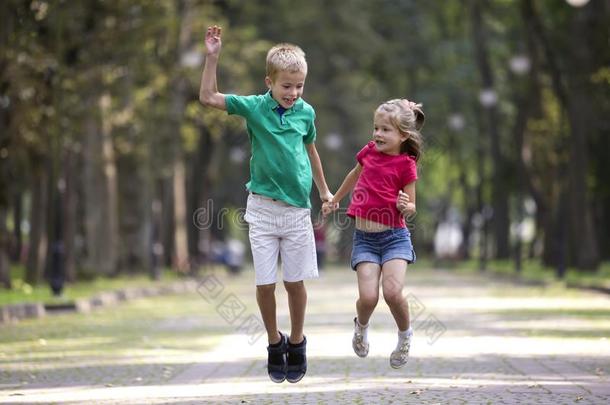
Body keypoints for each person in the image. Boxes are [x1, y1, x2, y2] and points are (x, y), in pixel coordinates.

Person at [199, 25, 332, 383]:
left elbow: (311, 151)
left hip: (297, 211)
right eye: (286, 85)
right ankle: (275, 342)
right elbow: (209, 97)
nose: (293, 92)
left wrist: (324, 191)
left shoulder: (307, 113)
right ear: (269, 81)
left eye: (299, 85)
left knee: (295, 282)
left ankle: (298, 339)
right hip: (261, 209)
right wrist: (213, 58)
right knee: (264, 282)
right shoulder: (254, 107)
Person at [323, 99, 424, 369]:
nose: (377, 134)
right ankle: (361, 327)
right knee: (368, 298)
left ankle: (404, 335)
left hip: (394, 238)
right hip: (365, 239)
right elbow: (353, 175)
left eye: (385, 130)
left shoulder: (406, 164)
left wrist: (407, 205)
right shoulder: (367, 153)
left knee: (392, 293)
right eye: (376, 128)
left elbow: (412, 206)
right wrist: (335, 199)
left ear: (403, 136)